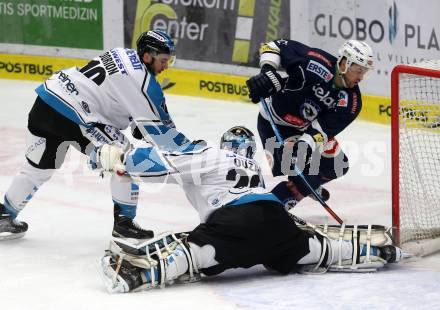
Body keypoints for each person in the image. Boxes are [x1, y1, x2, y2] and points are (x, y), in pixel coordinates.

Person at [94, 126, 403, 293]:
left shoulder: (211, 155)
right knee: (309, 248)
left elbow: (163, 163)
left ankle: (138, 275)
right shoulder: (254, 166)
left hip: (233, 223)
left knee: (197, 253)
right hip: (274, 215)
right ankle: (375, 250)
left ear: (224, 143)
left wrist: (121, 158)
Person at [0, 30, 194, 240]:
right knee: (126, 158)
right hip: (76, 116)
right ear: (148, 56)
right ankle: (124, 223)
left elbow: (110, 92)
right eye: (164, 60)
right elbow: (162, 133)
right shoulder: (146, 85)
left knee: (36, 169)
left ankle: (4, 215)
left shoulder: (121, 53)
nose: (166, 66)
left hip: (47, 101)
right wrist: (194, 152)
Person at [245, 39, 374, 209]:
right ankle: (270, 210)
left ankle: (303, 187)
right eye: (358, 70)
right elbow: (273, 46)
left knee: (337, 166)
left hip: (303, 130)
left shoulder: (351, 102)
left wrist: (305, 144)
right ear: (343, 63)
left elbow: (323, 130)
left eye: (364, 72)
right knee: (293, 169)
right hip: (273, 123)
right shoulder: (313, 61)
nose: (361, 77)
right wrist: (267, 72)